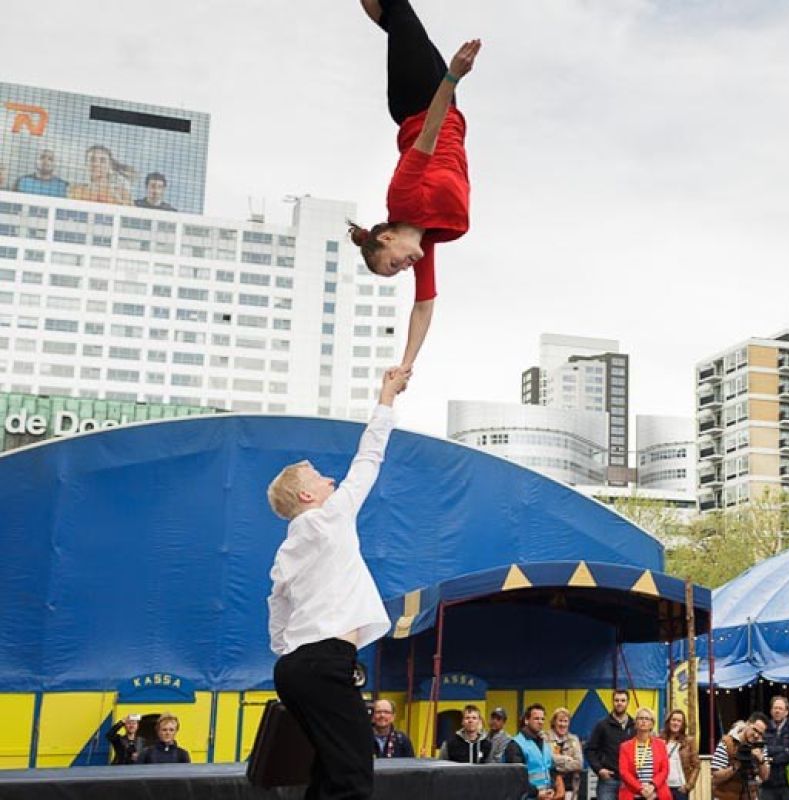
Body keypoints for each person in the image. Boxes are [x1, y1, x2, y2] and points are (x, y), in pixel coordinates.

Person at [267, 366, 408, 798]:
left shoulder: (285, 552)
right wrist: (387, 396)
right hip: (324, 662)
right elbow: (369, 458)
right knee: (351, 779)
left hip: (293, 669)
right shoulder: (330, 517)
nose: (332, 480)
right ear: (308, 496)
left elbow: (278, 617)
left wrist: (297, 657)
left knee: (328, 775)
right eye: (321, 479)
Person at [352, 0, 481, 372]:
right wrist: (405, 365)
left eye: (394, 264)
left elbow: (428, 135)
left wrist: (453, 76)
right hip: (446, 101)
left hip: (417, 101)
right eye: (400, 271)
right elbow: (424, 305)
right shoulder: (427, 237)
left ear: (389, 238)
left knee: (398, 10)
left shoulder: (403, 200)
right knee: (396, 20)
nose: (406, 267)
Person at [589, 690, 636, 800]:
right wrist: (599, 769)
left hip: (630, 781)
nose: (619, 703)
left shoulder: (634, 725)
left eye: (623, 700)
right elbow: (590, 750)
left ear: (628, 702)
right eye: (616, 700)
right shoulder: (602, 725)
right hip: (608, 780)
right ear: (613, 702)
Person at [712, 715, 771, 800]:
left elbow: (765, 777)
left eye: (760, 734)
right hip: (725, 797)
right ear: (747, 724)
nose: (756, 735)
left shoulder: (760, 747)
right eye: (754, 730)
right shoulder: (727, 743)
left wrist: (761, 760)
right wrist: (736, 766)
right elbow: (715, 778)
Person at [621, 707, 670, 800]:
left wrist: (652, 786)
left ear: (652, 724)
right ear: (635, 723)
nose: (643, 721)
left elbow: (665, 770)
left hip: (655, 794)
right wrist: (641, 789)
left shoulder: (661, 745)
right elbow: (624, 772)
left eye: (647, 719)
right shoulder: (625, 747)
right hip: (633, 794)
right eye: (640, 718)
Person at [513, 704, 558, 799]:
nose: (540, 722)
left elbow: (551, 770)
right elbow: (516, 778)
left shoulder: (544, 743)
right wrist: (536, 793)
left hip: (546, 796)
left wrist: (552, 788)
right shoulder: (516, 744)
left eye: (542, 719)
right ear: (526, 720)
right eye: (536, 719)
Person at [67, 144, 133, 205]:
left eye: (102, 160)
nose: (97, 164)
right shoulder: (76, 190)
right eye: (92, 159)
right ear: (86, 164)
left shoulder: (121, 192)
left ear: (109, 165)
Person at [548, 707, 585, 800]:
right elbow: (547, 760)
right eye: (560, 721)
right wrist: (566, 759)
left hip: (571, 787)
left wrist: (557, 766)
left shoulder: (574, 739)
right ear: (554, 722)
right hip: (550, 786)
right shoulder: (545, 737)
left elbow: (579, 764)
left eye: (566, 721)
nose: (563, 724)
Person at [664, 708, 701, 800]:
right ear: (668, 722)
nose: (676, 723)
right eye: (673, 720)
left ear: (682, 724)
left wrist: (689, 786)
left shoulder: (689, 741)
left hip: (680, 788)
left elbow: (696, 766)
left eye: (679, 721)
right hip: (663, 787)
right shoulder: (659, 739)